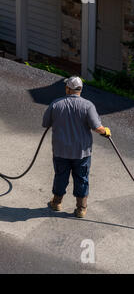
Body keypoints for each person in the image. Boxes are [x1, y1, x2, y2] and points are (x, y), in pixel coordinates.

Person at [42, 76, 111, 218]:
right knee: (82, 178)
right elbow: (97, 127)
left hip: (61, 151)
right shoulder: (88, 105)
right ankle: (81, 209)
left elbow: (45, 123)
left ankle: (56, 203)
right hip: (82, 152)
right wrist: (105, 131)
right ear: (80, 89)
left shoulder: (56, 104)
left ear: (68, 89)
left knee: (61, 176)